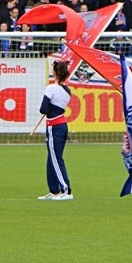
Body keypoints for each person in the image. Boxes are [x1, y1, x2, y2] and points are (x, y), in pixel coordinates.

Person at [38, 60, 73, 201]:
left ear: (55, 73)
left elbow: (43, 109)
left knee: (56, 158)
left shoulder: (51, 88)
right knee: (52, 157)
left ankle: (66, 190)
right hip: (62, 125)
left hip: (54, 126)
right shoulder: (67, 90)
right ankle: (54, 190)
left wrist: (48, 108)